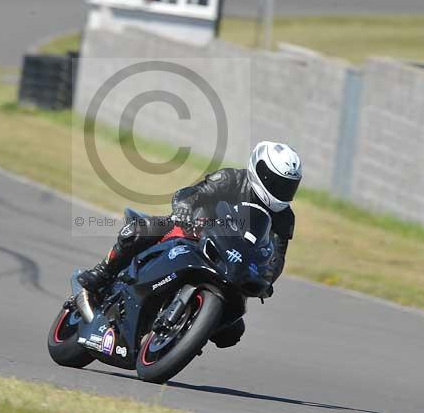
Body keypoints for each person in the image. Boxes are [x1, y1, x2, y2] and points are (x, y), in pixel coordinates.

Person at [77, 141, 301, 348]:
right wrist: (185, 209)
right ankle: (102, 273)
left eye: (287, 186)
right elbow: (193, 194)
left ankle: (185, 333)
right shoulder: (231, 178)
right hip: (195, 233)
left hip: (233, 264)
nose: (280, 190)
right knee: (140, 229)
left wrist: (267, 279)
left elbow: (277, 257)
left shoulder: (284, 217)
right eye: (275, 182)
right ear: (258, 170)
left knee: (232, 332)